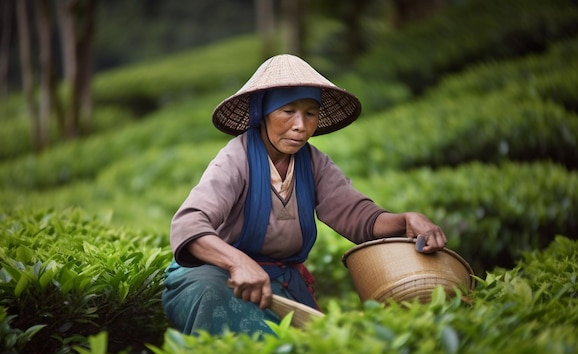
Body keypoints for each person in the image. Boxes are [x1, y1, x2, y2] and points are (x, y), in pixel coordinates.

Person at [162, 54, 447, 336]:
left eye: (310, 113)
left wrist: (408, 220)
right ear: (263, 113)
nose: (300, 125)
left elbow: (358, 217)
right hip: (219, 278)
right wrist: (238, 262)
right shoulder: (236, 158)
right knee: (220, 304)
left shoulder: (314, 163)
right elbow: (188, 224)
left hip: (278, 284)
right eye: (287, 111)